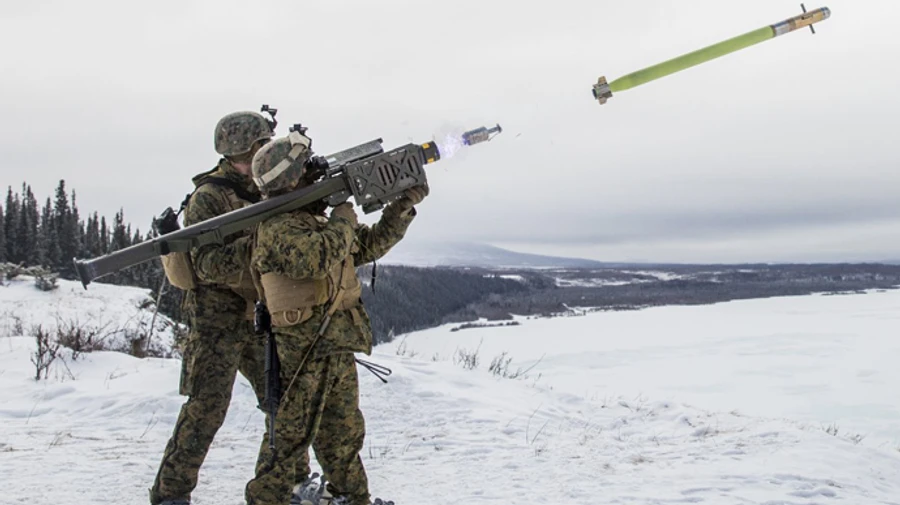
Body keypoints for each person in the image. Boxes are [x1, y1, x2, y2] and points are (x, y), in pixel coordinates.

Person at [243, 131, 427, 505]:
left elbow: (368, 245)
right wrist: (343, 216)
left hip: (336, 341)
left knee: (343, 432)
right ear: (289, 179)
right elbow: (317, 258)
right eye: (304, 168)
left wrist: (402, 208)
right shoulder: (278, 227)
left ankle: (352, 497)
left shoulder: (313, 221)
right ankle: (265, 498)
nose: (313, 171)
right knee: (291, 435)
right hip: (304, 347)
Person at [150, 111, 311, 505]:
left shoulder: (265, 184)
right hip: (216, 319)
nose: (265, 151)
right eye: (259, 146)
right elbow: (206, 264)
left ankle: (293, 481)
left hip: (258, 315)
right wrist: (264, 247)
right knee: (206, 409)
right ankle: (170, 494)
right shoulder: (210, 197)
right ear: (239, 150)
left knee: (285, 400)